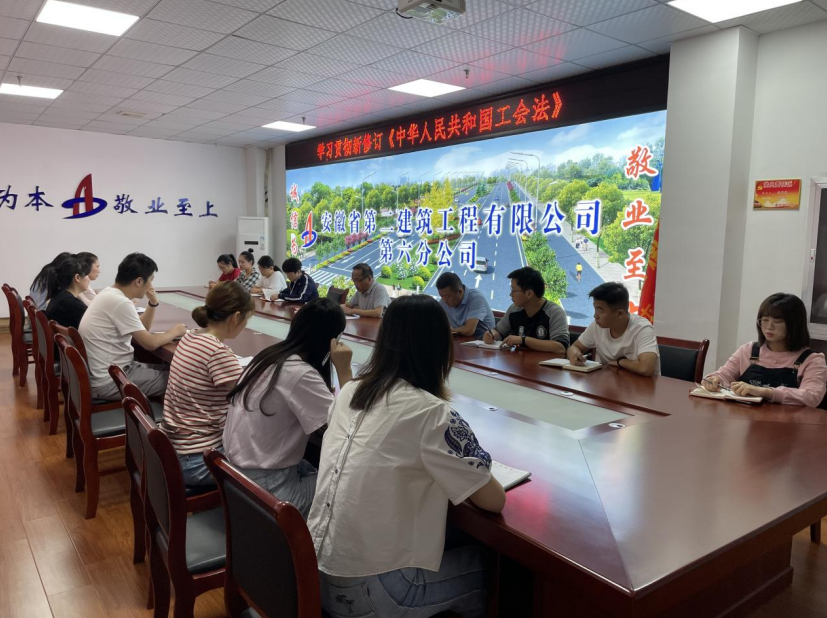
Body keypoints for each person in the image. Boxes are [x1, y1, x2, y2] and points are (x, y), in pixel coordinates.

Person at [307, 295, 505, 618]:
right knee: (487, 568)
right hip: (375, 593)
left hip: (315, 576)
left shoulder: (350, 392)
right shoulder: (432, 413)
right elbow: (494, 500)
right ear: (441, 348)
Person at [224, 298, 353, 517]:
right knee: (348, 484)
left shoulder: (267, 357)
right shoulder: (300, 373)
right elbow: (350, 426)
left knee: (311, 465)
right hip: (268, 489)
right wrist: (344, 370)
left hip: (235, 478)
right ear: (332, 339)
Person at [162, 282, 253, 486]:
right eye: (247, 319)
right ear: (236, 317)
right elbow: (250, 400)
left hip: (173, 449)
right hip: (197, 460)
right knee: (272, 464)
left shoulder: (190, 336)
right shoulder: (217, 352)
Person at [79, 253, 186, 401]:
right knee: (183, 380)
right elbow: (150, 343)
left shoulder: (109, 293)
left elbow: (142, 328)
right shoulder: (120, 302)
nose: (151, 286)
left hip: (112, 372)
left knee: (177, 371)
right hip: (111, 381)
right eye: (151, 280)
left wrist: (152, 303)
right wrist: (176, 331)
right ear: (139, 281)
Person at [703, 293, 827, 406]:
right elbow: (724, 374)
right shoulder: (748, 350)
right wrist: (714, 379)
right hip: (746, 419)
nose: (769, 327)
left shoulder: (812, 359)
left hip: (790, 422)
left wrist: (766, 392)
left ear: (794, 325)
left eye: (777, 321)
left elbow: (812, 396)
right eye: (765, 320)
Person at [567, 282, 660, 376]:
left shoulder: (642, 328)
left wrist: (620, 362)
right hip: (611, 382)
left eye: (600, 310)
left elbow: (646, 368)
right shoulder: (597, 326)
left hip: (642, 384)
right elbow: (574, 347)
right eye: (595, 309)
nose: (595, 315)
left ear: (619, 314)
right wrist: (575, 355)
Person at [483, 267, 569, 354]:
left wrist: (523, 340)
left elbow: (560, 348)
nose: (510, 294)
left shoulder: (555, 313)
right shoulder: (514, 309)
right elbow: (498, 331)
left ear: (529, 294)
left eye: (513, 290)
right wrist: (491, 335)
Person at [436, 272, 495, 339]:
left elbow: (469, 330)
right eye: (441, 296)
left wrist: (446, 331)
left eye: (447, 297)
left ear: (460, 292)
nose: (444, 300)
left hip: (484, 342)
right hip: (462, 340)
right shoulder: (443, 302)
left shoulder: (476, 298)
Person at [44, 256, 91, 330]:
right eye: (87, 275)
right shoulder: (71, 303)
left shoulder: (60, 296)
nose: (89, 279)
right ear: (77, 278)